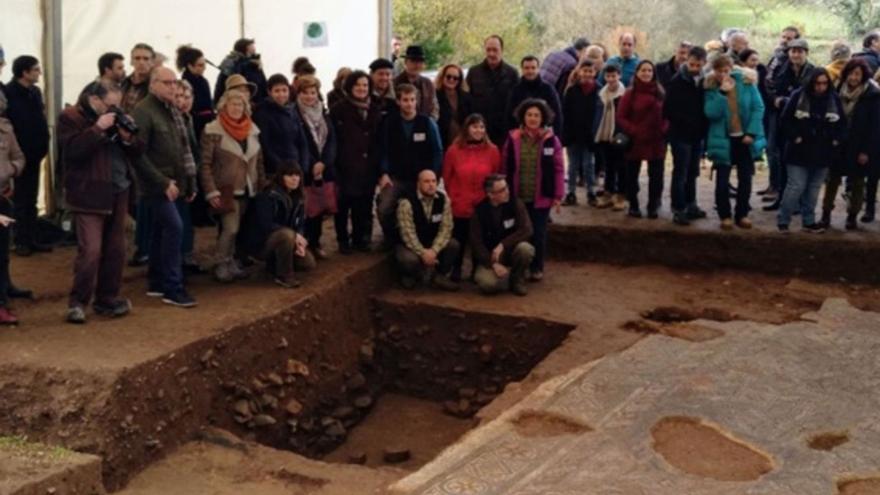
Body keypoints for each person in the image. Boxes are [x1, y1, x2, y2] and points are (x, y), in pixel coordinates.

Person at [59, 81, 140, 324]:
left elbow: (138, 150)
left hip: (119, 190)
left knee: (116, 250)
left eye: (118, 106)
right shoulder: (70, 117)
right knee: (91, 250)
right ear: (94, 99)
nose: (115, 111)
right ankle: (77, 303)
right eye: (110, 105)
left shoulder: (116, 117)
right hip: (88, 194)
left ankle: (107, 299)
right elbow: (71, 152)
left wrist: (127, 138)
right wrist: (97, 129)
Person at [132, 67, 198, 307]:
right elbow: (137, 154)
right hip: (156, 186)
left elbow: (183, 150)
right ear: (153, 84)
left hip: (175, 183)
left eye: (174, 82)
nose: (173, 87)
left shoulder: (173, 111)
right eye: (167, 83)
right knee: (174, 228)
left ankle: (157, 281)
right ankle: (173, 287)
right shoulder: (143, 112)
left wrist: (189, 183)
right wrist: (162, 182)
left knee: (162, 231)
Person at [201, 89, 265, 282]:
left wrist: (260, 183)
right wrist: (211, 191)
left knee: (240, 229)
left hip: (248, 187)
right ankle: (220, 264)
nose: (237, 108)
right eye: (233, 104)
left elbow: (259, 161)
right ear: (224, 106)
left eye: (240, 104)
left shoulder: (252, 130)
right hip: (225, 189)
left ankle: (231, 263)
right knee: (230, 229)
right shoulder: (213, 130)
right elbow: (204, 164)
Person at [777, 68, 845, 233]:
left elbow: (842, 123)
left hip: (823, 151)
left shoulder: (833, 99)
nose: (821, 87)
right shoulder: (798, 96)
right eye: (817, 83)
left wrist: (836, 139)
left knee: (814, 188)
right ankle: (783, 220)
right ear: (811, 82)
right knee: (796, 186)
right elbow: (785, 120)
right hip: (798, 150)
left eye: (824, 83)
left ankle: (808, 221)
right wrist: (795, 137)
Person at [502, 98, 563, 281]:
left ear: (543, 117)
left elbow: (559, 169)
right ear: (523, 116)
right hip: (517, 196)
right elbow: (505, 166)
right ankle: (515, 266)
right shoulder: (512, 138)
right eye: (529, 114)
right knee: (515, 232)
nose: (533, 118)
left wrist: (558, 195)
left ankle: (537, 267)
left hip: (541, 197)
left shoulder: (552, 140)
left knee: (538, 233)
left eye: (537, 115)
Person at [704, 54, 765, 231]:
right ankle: (725, 215)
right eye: (719, 71)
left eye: (726, 70)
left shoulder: (746, 83)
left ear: (732, 68)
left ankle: (742, 214)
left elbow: (758, 107)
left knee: (745, 178)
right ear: (713, 71)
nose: (723, 74)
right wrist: (722, 92)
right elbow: (711, 113)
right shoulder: (711, 88)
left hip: (744, 137)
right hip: (723, 139)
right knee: (722, 180)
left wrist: (752, 132)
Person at [376, 84, 443, 245]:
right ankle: (393, 240)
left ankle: (421, 240)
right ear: (398, 102)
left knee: (422, 210)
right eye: (405, 100)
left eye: (412, 100)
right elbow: (383, 149)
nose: (409, 103)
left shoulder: (427, 123)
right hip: (396, 177)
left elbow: (438, 151)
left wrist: (433, 175)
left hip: (420, 178)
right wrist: (384, 173)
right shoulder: (389, 123)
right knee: (384, 208)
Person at [442, 114, 502, 281]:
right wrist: (454, 196)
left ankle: (477, 268)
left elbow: (495, 176)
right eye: (475, 126)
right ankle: (456, 268)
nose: (478, 130)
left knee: (479, 239)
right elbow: (447, 177)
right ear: (466, 128)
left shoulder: (493, 151)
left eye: (482, 127)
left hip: (482, 205)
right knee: (459, 238)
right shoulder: (453, 151)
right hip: (460, 204)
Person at [821, 59, 879, 230]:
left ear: (863, 76)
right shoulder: (836, 89)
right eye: (851, 73)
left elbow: (875, 127)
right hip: (837, 143)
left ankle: (852, 215)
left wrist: (866, 151)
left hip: (859, 145)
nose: (853, 78)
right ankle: (826, 214)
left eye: (857, 74)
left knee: (858, 182)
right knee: (832, 180)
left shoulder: (873, 95)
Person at [240, 163, 316, 288]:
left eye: (297, 175)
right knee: (286, 234)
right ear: (281, 177)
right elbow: (265, 224)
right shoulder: (268, 196)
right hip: (261, 243)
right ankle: (284, 276)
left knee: (308, 263)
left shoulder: (299, 197)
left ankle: (274, 264)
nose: (295, 178)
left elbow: (300, 223)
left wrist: (300, 240)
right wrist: (294, 236)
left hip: (287, 240)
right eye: (290, 175)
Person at [331, 70, 382, 254]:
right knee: (343, 206)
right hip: (345, 165)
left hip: (368, 166)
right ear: (350, 87)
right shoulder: (338, 110)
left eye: (365, 85)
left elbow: (379, 139)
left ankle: (362, 238)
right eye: (358, 85)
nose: (362, 89)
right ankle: (343, 240)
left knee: (365, 204)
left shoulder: (376, 109)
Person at [5, 55, 51, 256]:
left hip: (35, 155)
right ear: (24, 72)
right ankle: (20, 240)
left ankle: (31, 238)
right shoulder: (8, 93)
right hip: (18, 157)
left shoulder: (35, 92)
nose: (39, 73)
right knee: (20, 199)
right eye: (36, 69)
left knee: (30, 198)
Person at [764, 38, 815, 211]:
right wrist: (776, 99)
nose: (796, 54)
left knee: (801, 163)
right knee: (782, 158)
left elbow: (814, 94)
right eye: (793, 51)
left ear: (806, 53)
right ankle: (782, 199)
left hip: (804, 122)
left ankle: (800, 203)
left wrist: (792, 100)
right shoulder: (780, 69)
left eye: (800, 51)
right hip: (782, 119)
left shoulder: (812, 71)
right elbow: (769, 87)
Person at [664, 46, 709, 225]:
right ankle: (678, 208)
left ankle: (691, 205)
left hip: (697, 135)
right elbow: (669, 109)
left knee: (693, 172)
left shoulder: (704, 81)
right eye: (691, 64)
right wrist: (687, 122)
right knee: (680, 172)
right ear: (686, 61)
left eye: (698, 65)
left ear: (704, 63)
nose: (694, 68)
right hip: (680, 134)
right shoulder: (677, 81)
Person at [617, 60, 667, 219]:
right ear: (637, 73)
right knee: (632, 175)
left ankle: (653, 206)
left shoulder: (660, 92)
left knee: (657, 176)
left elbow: (668, 114)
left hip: (656, 140)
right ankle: (633, 205)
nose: (646, 73)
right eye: (643, 70)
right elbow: (621, 117)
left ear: (654, 74)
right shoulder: (629, 94)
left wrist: (663, 129)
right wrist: (634, 130)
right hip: (635, 140)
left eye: (649, 71)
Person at [293, 75, 336, 259]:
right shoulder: (294, 114)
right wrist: (312, 163)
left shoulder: (324, 112)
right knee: (304, 210)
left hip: (323, 169)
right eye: (305, 92)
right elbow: (298, 142)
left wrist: (324, 162)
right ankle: (302, 245)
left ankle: (316, 243)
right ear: (299, 93)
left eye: (313, 92)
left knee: (318, 209)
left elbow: (332, 140)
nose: (310, 96)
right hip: (304, 168)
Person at [395, 169, 459, 291]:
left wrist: (434, 251)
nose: (431, 184)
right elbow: (408, 234)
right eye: (426, 181)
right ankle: (412, 275)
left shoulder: (444, 200)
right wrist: (423, 253)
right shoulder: (406, 203)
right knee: (408, 260)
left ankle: (439, 275)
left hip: (431, 244)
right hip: (410, 246)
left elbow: (446, 229)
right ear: (418, 184)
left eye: (434, 181)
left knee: (453, 245)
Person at [470, 174, 534, 296]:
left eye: (507, 187)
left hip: (511, 251)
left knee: (526, 249)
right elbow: (476, 244)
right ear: (490, 195)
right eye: (502, 190)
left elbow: (527, 229)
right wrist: (493, 264)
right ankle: (495, 275)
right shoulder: (479, 212)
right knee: (488, 285)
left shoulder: (515, 203)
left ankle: (517, 279)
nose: (507, 192)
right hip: (490, 257)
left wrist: (503, 245)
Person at [0, 92, 31, 324]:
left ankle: (4, 293)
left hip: (3, 197)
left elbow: (20, 157)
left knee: (2, 252)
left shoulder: (6, 129)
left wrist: (10, 170)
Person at [762, 27, 801, 198]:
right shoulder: (776, 56)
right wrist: (772, 98)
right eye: (783, 36)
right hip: (770, 107)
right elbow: (768, 82)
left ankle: (779, 187)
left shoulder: (793, 62)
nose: (785, 40)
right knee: (770, 149)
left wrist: (781, 99)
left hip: (784, 110)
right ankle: (773, 184)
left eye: (789, 38)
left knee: (777, 149)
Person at [173, 80, 204, 275]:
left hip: (188, 179)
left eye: (187, 97)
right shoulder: (173, 119)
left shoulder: (188, 118)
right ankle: (177, 263)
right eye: (178, 96)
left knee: (186, 222)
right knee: (177, 223)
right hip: (176, 180)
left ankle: (185, 257)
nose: (183, 101)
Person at [466, 35, 519, 146]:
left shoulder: (512, 73)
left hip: (504, 131)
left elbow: (517, 103)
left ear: (502, 50)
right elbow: (466, 102)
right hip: (479, 131)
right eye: (488, 50)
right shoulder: (474, 72)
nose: (491, 54)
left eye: (495, 50)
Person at [253, 74, 308, 178]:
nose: (281, 94)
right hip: (275, 172)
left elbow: (302, 141)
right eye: (277, 91)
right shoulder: (262, 113)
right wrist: (284, 169)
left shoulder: (292, 111)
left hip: (296, 170)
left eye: (284, 90)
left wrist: (303, 166)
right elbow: (265, 145)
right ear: (269, 92)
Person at [562, 60, 600, 206]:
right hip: (573, 134)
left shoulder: (599, 90)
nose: (587, 74)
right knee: (572, 165)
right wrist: (565, 134)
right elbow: (565, 113)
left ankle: (591, 193)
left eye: (590, 71)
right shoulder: (571, 91)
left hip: (590, 135)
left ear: (595, 73)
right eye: (584, 71)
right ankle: (571, 193)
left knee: (589, 164)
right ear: (579, 72)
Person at [506, 56, 563, 137]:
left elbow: (557, 116)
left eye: (533, 68)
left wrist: (556, 138)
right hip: (522, 137)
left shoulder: (548, 89)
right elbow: (509, 117)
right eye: (527, 68)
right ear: (522, 69)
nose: (530, 71)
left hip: (543, 136)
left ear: (538, 69)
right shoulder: (516, 90)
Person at [176, 45, 214, 140]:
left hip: (207, 123)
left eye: (204, 64)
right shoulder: (184, 84)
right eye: (200, 65)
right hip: (195, 125)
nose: (204, 68)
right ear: (190, 66)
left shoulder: (203, 80)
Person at [214, 38, 268, 104]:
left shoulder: (255, 66)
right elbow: (221, 87)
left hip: (257, 107)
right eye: (251, 48)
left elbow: (264, 86)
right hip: (236, 105)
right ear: (245, 49)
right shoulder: (230, 66)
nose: (254, 50)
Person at [393, 46, 438, 120]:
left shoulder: (428, 83)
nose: (417, 65)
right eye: (413, 61)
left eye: (420, 62)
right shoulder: (395, 83)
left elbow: (434, 108)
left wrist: (429, 123)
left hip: (424, 127)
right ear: (406, 62)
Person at [435, 63, 473, 149]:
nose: (452, 80)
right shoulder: (435, 96)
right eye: (448, 76)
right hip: (442, 141)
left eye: (456, 78)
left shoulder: (466, 97)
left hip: (463, 142)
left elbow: (471, 119)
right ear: (442, 77)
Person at [121, 43, 154, 113]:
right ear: (131, 61)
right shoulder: (123, 82)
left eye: (146, 59)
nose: (141, 62)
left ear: (152, 62)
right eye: (137, 58)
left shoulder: (155, 84)